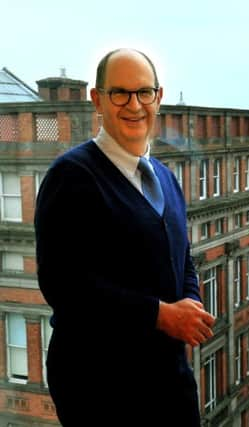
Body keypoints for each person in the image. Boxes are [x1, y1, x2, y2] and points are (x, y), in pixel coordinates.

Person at [34, 48, 215, 426]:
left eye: (144, 92)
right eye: (120, 93)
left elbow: (182, 257)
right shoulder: (71, 176)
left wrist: (190, 307)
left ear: (158, 98)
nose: (134, 105)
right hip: (101, 388)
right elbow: (63, 285)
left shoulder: (165, 177)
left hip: (169, 379)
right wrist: (160, 315)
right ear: (97, 100)